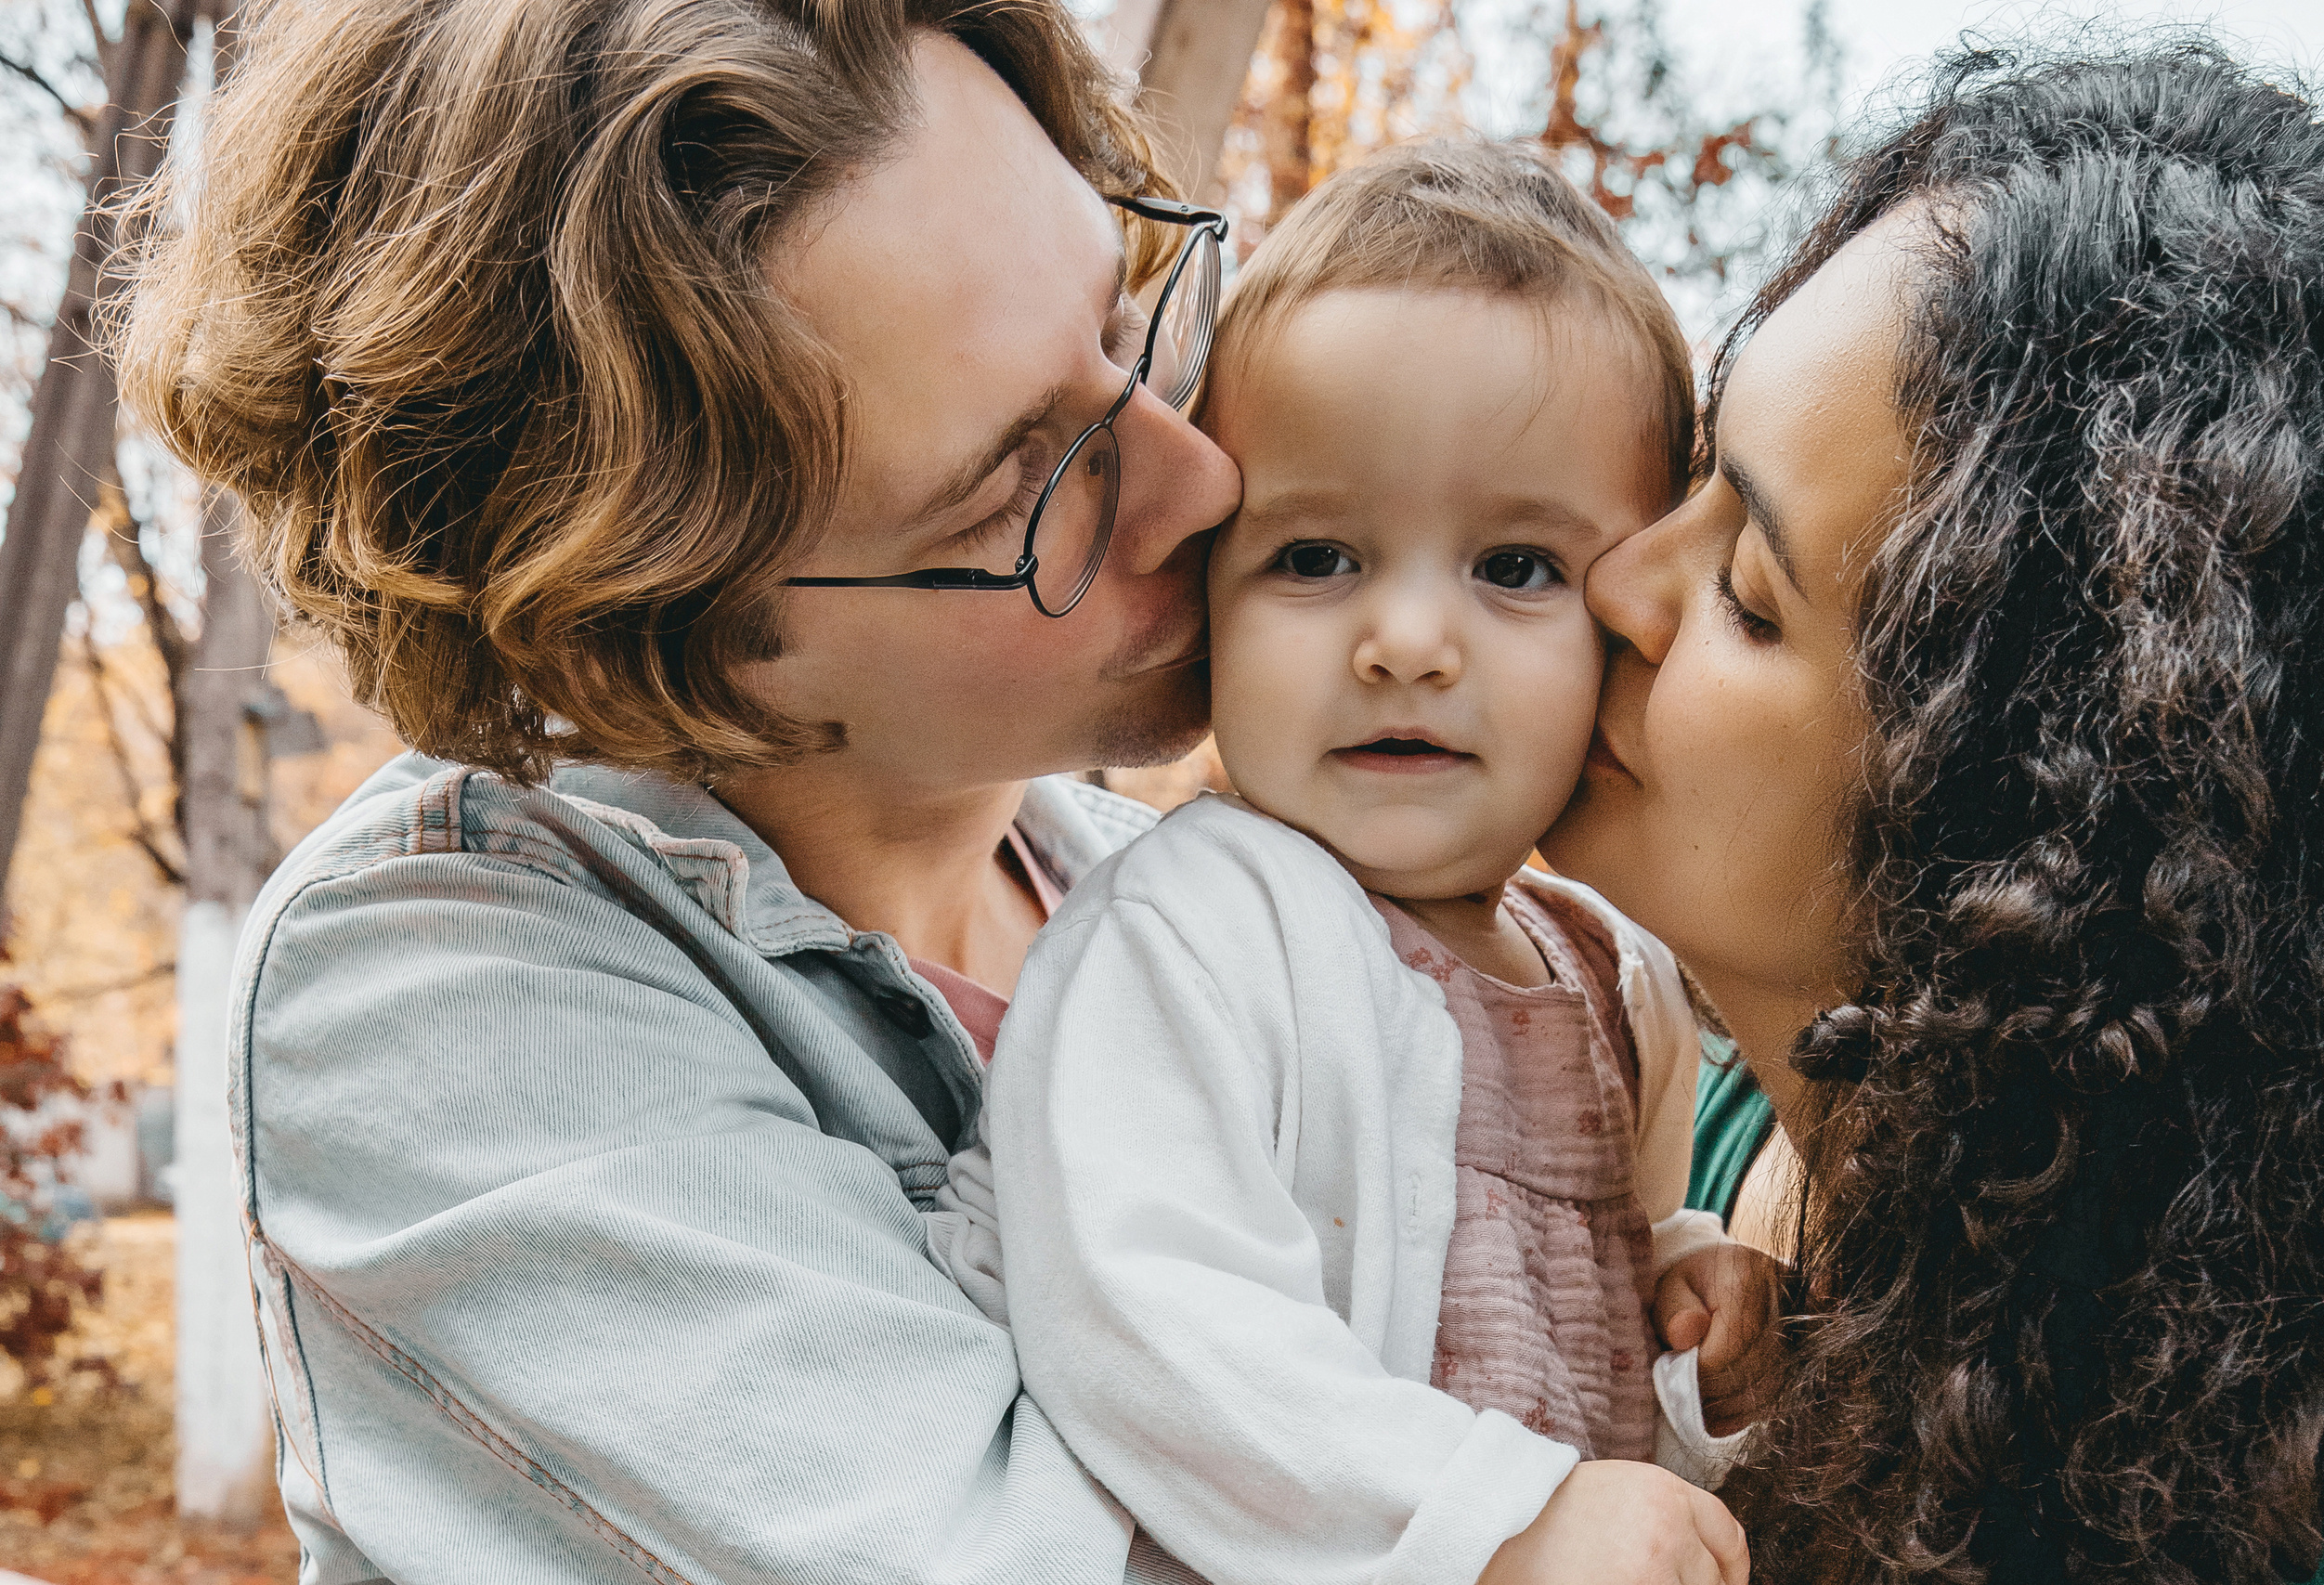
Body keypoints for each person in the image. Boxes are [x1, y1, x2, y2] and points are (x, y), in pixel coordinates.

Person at [109, 0, 1743, 1579]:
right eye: (1025, 484)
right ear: (664, 626)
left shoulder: (1249, 895)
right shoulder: (439, 984)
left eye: (1128, 323)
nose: (1207, 472)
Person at [1538, 42, 2324, 1584]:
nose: (1616, 583)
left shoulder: (2256, 1517)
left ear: (2014, 813)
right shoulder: (1652, 1104)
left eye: (1743, 590)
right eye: (1695, 476)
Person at [928, 141, 1767, 1585]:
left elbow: (1579, 1372)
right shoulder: (1189, 934)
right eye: (1317, 558)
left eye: (1515, 568)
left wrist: (1691, 1316)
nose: (1406, 642)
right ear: (1208, 596)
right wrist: (1482, 1522)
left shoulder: (1612, 985)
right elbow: (1146, 1326)